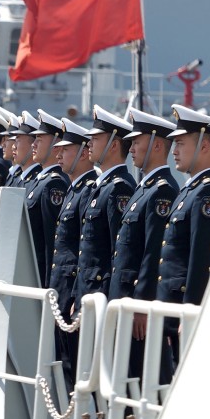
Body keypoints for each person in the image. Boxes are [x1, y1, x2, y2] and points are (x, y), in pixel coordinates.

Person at [109, 108, 180, 379]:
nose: (132, 148)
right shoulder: (144, 188)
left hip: (137, 308)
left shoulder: (162, 190)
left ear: (157, 145)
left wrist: (142, 303)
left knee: (143, 379)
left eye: (137, 142)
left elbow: (153, 253)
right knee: (126, 381)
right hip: (125, 303)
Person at [157, 104, 210, 382]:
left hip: (181, 308)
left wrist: (191, 310)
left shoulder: (208, 192)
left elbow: (200, 258)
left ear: (205, 147)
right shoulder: (190, 190)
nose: (174, 150)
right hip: (170, 307)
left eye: (181, 144)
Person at [49, 117, 97, 389]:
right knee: (65, 365)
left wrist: (76, 295)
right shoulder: (74, 190)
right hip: (63, 291)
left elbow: (85, 249)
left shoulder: (88, 190)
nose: (59, 154)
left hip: (72, 293)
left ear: (82, 152)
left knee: (75, 366)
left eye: (65, 149)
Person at [72, 106, 136, 308]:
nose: (89, 143)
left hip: (101, 297)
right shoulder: (101, 186)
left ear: (114, 145)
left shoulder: (120, 188)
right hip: (87, 295)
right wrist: (76, 293)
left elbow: (118, 252)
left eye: (96, 139)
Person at [23, 110, 69, 286]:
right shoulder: (39, 182)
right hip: (30, 274)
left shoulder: (54, 185)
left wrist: (49, 287)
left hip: (40, 279)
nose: (33, 144)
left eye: (39, 140)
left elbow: (53, 243)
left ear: (56, 144)